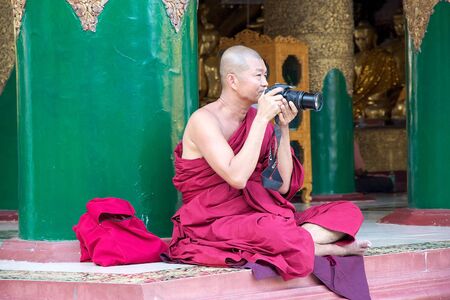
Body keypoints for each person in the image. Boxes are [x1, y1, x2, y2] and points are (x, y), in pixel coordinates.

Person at [167, 45, 371, 282]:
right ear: (232, 80)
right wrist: (262, 118)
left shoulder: (256, 119)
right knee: (272, 231)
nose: (265, 83)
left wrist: (283, 127)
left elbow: (282, 186)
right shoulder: (204, 120)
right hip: (212, 222)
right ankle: (328, 248)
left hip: (260, 215)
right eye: (258, 75)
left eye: (265, 75)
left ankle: (296, 242)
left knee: (347, 212)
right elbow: (237, 177)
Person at [353, 21, 400, 121]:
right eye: (357, 39)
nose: (360, 42)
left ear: (374, 38)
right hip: (360, 100)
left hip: (380, 101)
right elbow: (353, 85)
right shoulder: (355, 59)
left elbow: (393, 85)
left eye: (364, 39)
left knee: (382, 110)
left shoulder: (385, 57)